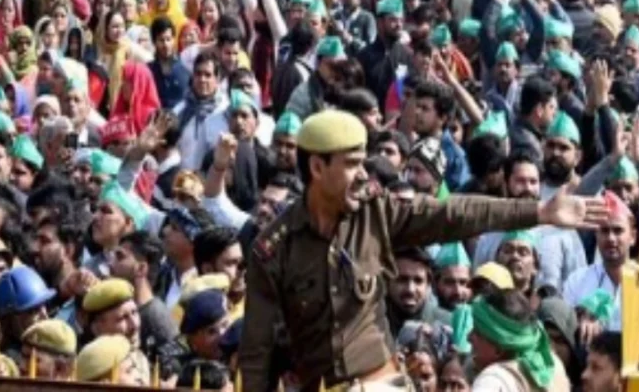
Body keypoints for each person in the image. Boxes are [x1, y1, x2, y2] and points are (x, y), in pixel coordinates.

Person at [239, 110, 608, 392]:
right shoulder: (273, 250)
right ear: (317, 167)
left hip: (382, 383)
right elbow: (257, 351)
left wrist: (538, 212)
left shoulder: (376, 213)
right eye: (351, 165)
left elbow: (453, 213)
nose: (364, 176)